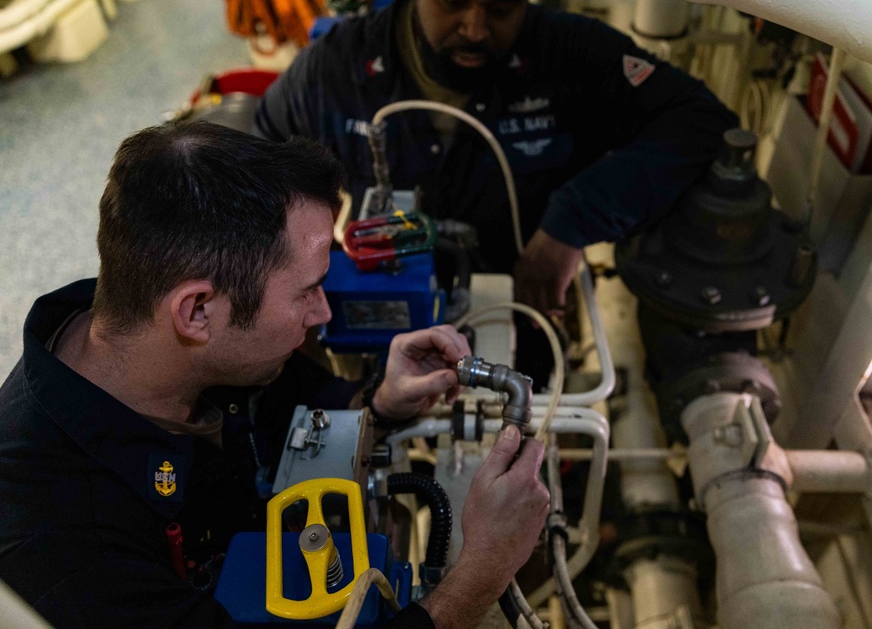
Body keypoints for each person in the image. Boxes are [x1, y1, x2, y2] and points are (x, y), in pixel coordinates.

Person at [0, 121, 550, 628]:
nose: (324, 313)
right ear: (196, 311)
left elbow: (283, 417)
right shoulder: (61, 548)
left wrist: (376, 405)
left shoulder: (155, 328)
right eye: (307, 290)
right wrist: (484, 568)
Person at [252, 0, 738, 320]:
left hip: (523, 318)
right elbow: (257, 162)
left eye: (504, 6)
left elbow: (700, 120)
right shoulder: (335, 71)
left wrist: (575, 218)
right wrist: (318, 265)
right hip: (381, 322)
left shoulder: (570, 56)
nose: (475, 28)